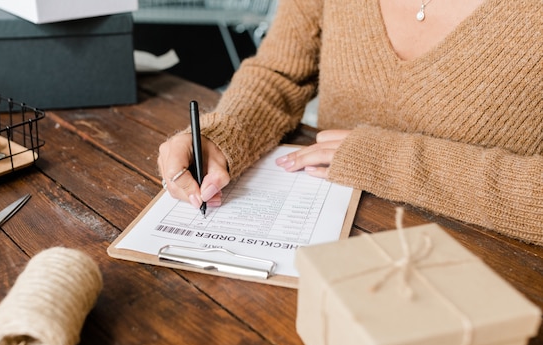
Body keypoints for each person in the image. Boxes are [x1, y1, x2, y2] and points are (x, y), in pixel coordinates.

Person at [157, 0, 543, 246]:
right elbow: (281, 73)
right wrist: (224, 135)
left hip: (483, 287)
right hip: (316, 259)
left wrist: (389, 161)